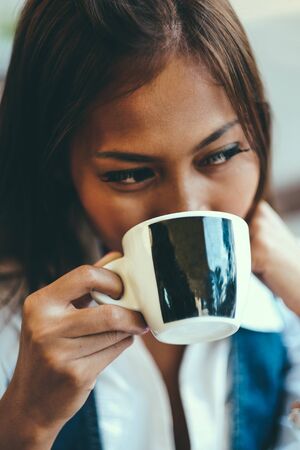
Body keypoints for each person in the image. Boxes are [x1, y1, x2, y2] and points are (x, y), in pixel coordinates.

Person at [0, 0, 300, 449]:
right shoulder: (11, 333)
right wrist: (27, 422)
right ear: (59, 167)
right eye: (130, 174)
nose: (186, 206)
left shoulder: (282, 305)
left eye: (219, 154)